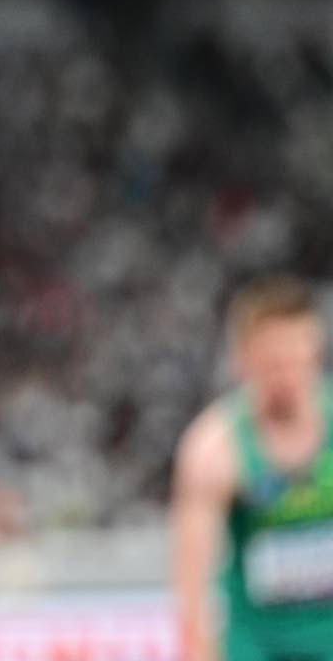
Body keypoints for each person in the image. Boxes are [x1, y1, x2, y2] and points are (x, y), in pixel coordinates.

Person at [172, 276, 333, 661]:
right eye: (273, 365)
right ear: (242, 360)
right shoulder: (214, 448)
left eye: (299, 361)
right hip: (257, 646)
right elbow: (193, 582)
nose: (288, 377)